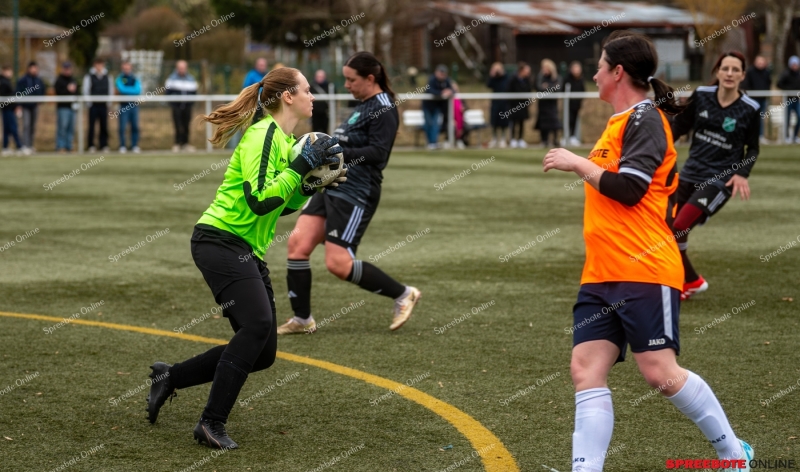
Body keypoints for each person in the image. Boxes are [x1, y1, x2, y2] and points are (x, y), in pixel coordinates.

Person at [543, 30, 753, 472]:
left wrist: (577, 162)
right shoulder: (620, 121)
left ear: (617, 72)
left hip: (643, 267)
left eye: (600, 65)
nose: (595, 72)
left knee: (659, 372)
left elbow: (631, 189)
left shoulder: (645, 119)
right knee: (585, 369)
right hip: (600, 273)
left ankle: (733, 455)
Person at [144, 67, 345, 449]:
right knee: (255, 327)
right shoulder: (263, 135)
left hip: (243, 248)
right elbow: (257, 200)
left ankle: (170, 376)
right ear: (288, 96)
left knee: (263, 351)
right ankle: (210, 423)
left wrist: (311, 186)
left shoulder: (285, 141)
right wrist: (302, 169)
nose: (313, 96)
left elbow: (279, 205)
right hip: (219, 241)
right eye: (307, 89)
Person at [278, 51, 421, 335]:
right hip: (332, 183)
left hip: (356, 191)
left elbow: (378, 155)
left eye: (350, 80)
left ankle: (404, 294)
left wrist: (334, 151)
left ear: (370, 78)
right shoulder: (364, 104)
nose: (346, 85)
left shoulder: (384, 108)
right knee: (297, 245)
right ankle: (302, 319)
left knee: (338, 263)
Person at [670, 51, 761, 301]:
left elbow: (752, 148)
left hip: (720, 180)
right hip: (689, 173)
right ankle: (691, 280)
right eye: (725, 68)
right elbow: (679, 126)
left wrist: (743, 174)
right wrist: (663, 143)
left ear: (743, 75)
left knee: (678, 225)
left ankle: (687, 279)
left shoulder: (750, 109)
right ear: (718, 72)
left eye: (735, 70)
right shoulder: (701, 95)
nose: (730, 74)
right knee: (669, 226)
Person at [166, 60, 199, 152]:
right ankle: (177, 143)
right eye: (180, 68)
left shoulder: (191, 79)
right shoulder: (171, 79)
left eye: (183, 68)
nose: (182, 70)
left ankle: (185, 144)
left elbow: (194, 92)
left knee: (186, 125)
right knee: (177, 125)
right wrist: (173, 103)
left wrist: (190, 103)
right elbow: (168, 93)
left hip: (187, 106)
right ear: (177, 68)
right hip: (176, 106)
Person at [82, 58, 113, 153]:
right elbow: (85, 90)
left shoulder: (108, 76)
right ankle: (91, 145)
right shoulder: (89, 76)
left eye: (101, 64)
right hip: (93, 106)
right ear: (94, 65)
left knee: (104, 125)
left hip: (103, 105)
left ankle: (104, 145)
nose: (99, 67)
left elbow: (110, 90)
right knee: (91, 126)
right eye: (97, 64)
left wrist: (109, 103)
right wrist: (89, 103)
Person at [422, 64, 454, 150]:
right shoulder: (432, 79)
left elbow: (452, 89)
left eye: (444, 73)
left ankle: (433, 142)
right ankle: (430, 142)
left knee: (435, 124)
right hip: (428, 106)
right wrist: (441, 93)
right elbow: (429, 90)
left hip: (437, 106)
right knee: (428, 124)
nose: (443, 75)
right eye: (441, 73)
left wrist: (449, 91)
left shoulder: (446, 80)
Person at [16, 61, 45, 155]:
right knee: (26, 125)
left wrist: (40, 100)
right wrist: (19, 105)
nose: (34, 70)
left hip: (35, 106)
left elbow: (42, 90)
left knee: (32, 126)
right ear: (29, 69)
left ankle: (30, 145)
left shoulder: (38, 80)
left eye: (35, 68)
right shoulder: (23, 80)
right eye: (33, 68)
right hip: (25, 106)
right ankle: (24, 146)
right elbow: (18, 92)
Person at [742, 55, 771, 143]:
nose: (760, 64)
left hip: (763, 98)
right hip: (753, 99)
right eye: (759, 62)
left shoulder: (766, 72)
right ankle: (749, 137)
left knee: (761, 118)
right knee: (751, 119)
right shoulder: (750, 72)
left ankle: (760, 136)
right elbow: (746, 84)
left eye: (762, 62)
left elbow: (768, 83)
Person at [534, 58, 562, 148]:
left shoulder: (556, 77)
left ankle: (555, 140)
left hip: (552, 103)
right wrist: (550, 87)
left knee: (554, 121)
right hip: (543, 103)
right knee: (543, 122)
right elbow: (538, 87)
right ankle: (544, 140)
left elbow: (557, 88)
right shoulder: (540, 77)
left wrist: (547, 86)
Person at [116, 61, 142, 153]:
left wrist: (127, 91)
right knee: (122, 127)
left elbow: (138, 90)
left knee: (135, 126)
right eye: (125, 68)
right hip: (123, 105)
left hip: (134, 105)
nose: (126, 70)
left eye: (128, 68)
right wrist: (130, 91)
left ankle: (134, 145)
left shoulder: (135, 78)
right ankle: (122, 146)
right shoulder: (120, 78)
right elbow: (121, 89)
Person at [54, 62, 78, 153]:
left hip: (72, 107)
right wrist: (67, 89)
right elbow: (58, 92)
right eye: (65, 69)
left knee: (71, 128)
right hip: (63, 107)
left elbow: (77, 92)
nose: (67, 70)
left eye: (68, 69)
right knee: (62, 127)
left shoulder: (73, 79)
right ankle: (60, 146)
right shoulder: (59, 80)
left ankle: (69, 146)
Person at [507, 62, 531, 148]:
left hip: (523, 105)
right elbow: (509, 90)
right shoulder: (513, 79)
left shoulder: (527, 80)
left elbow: (529, 90)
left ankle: (520, 139)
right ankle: (513, 139)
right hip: (514, 105)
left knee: (521, 123)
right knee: (513, 122)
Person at [776, 55, 800, 143]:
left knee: (799, 117)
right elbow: (779, 84)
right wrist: (788, 90)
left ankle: (795, 136)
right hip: (788, 100)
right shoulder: (786, 74)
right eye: (793, 64)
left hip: (797, 100)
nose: (795, 66)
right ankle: (786, 137)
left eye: (796, 64)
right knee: (787, 118)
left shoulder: (798, 75)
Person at [487, 62, 510, 148]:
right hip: (495, 102)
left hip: (504, 103)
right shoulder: (493, 79)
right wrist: (492, 75)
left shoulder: (506, 77)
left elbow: (507, 84)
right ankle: (494, 138)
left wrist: (502, 74)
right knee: (494, 121)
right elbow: (488, 85)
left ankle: (503, 139)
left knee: (504, 121)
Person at [0, 65, 22, 156]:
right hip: (8, 108)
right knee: (13, 127)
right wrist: (15, 106)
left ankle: (5, 147)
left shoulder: (6, 81)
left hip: (8, 108)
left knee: (7, 128)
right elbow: (9, 97)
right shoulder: (4, 82)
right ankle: (19, 146)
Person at [565, 61, 586, 146]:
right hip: (568, 105)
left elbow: (583, 91)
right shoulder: (567, 79)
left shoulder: (581, 80)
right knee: (568, 120)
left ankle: (573, 136)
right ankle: (566, 136)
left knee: (575, 120)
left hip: (577, 105)